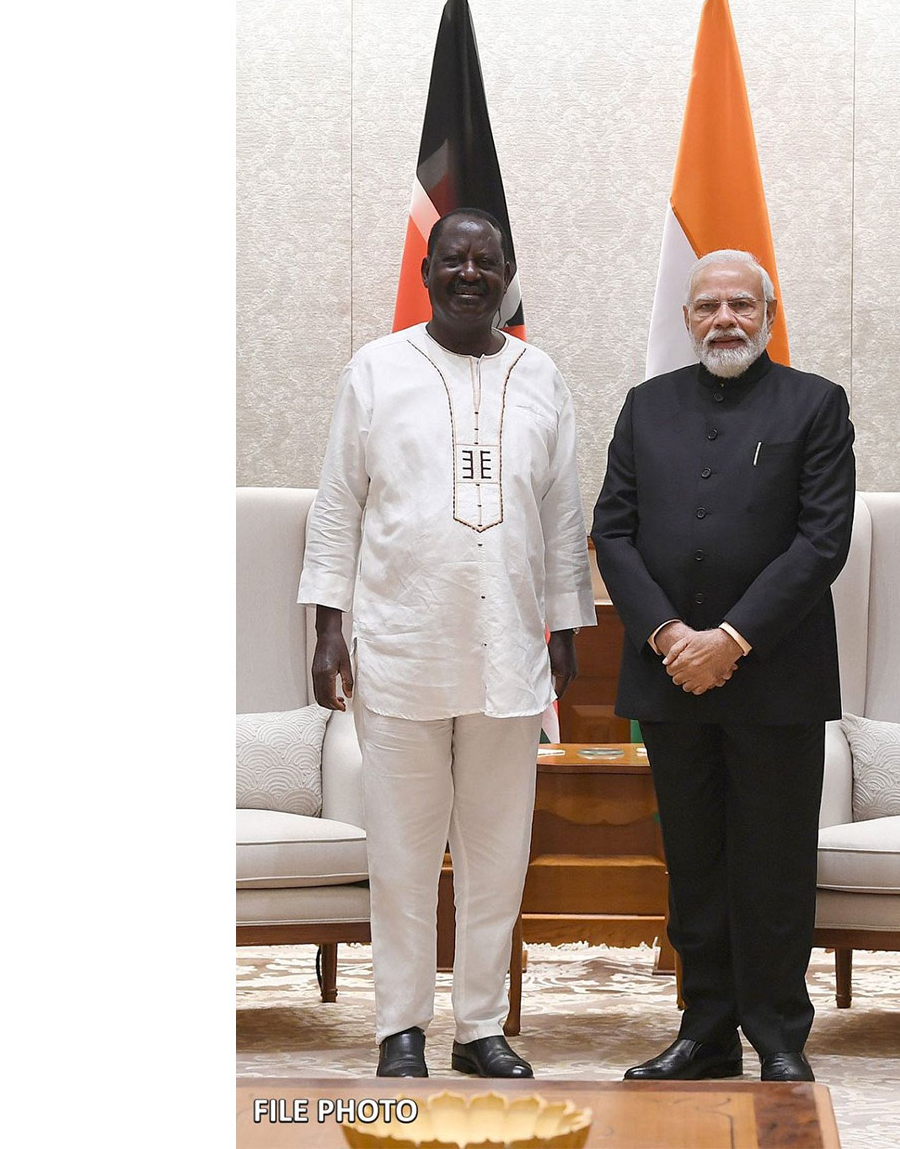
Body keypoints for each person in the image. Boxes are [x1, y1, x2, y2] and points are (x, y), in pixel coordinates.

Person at [297, 207, 595, 1079]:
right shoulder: (377, 370)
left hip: (509, 651)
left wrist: (567, 624)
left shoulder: (542, 376)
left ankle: (479, 1028)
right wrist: (327, 630)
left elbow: (561, 511)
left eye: (487, 261)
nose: (470, 273)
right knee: (401, 851)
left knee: (500, 853)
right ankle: (399, 1028)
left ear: (507, 277)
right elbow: (337, 508)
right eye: (454, 259)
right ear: (427, 273)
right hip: (400, 646)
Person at [591, 249, 856, 1083]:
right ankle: (705, 1033)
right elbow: (614, 531)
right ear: (686, 318)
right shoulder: (646, 407)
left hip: (775, 680)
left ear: (770, 317)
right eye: (708, 305)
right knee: (697, 864)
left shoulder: (815, 405)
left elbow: (822, 542)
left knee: (774, 864)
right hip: (671, 678)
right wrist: (672, 636)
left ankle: (778, 1034)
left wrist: (730, 640)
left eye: (743, 305)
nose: (725, 320)